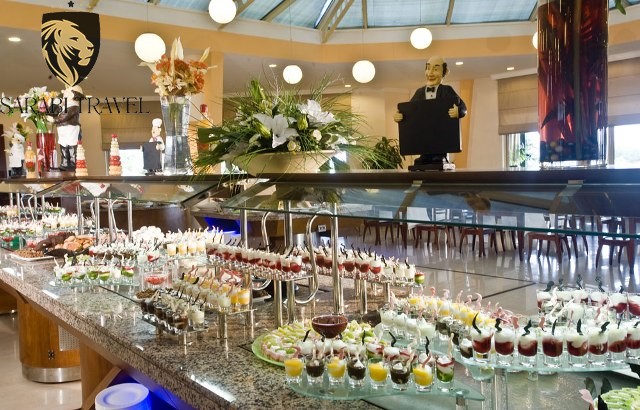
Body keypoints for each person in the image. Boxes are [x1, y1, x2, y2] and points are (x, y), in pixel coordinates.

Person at [394, 56, 467, 166]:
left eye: (436, 69)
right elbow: (410, 110)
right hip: (424, 133)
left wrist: (459, 111)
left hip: (441, 133)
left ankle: (440, 155)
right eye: (428, 68)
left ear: (444, 72)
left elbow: (463, 107)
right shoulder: (420, 92)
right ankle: (425, 156)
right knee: (424, 143)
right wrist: (400, 116)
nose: (430, 73)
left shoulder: (447, 90)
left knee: (439, 148)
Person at [48, 85, 84, 171]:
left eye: (67, 92)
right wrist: (53, 104)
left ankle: (72, 164)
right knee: (63, 145)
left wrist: (54, 120)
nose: (64, 93)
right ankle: (64, 163)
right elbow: (53, 112)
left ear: (73, 95)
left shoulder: (73, 106)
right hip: (63, 128)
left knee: (71, 146)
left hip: (71, 128)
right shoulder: (64, 105)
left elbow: (65, 116)